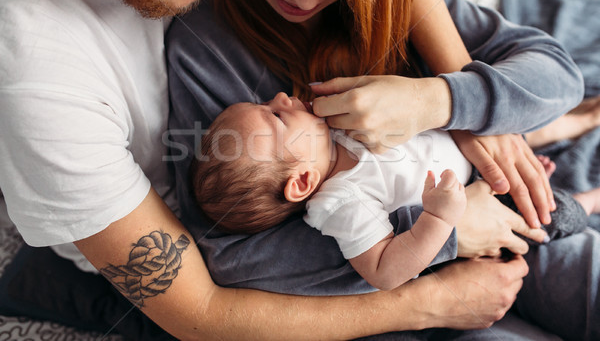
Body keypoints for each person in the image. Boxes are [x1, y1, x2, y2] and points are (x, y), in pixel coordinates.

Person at [0, 0, 547, 340]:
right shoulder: (39, 82)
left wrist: (456, 104)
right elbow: (203, 311)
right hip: (225, 270)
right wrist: (428, 298)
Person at [166, 0, 600, 339]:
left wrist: (437, 99)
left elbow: (559, 76)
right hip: (421, 271)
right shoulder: (205, 49)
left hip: (500, 209)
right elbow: (233, 256)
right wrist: (448, 233)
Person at [191, 93, 592, 291]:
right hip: (474, 196)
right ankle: (590, 201)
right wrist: (438, 219)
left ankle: (576, 121)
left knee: (516, 133)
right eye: (277, 115)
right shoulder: (340, 203)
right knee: (551, 214)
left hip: (472, 148)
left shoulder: (336, 129)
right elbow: (385, 270)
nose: (281, 97)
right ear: (301, 183)